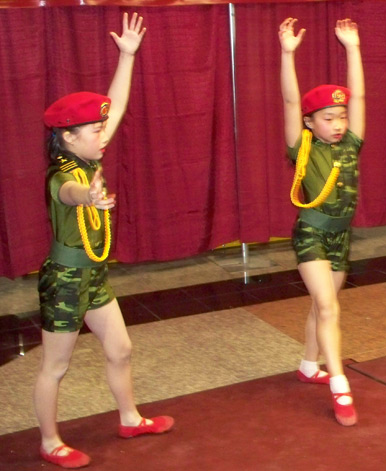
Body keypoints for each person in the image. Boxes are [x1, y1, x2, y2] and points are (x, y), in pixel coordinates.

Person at [34, 12, 174, 469]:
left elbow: (113, 106)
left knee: (121, 349)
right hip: (66, 279)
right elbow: (71, 194)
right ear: (68, 137)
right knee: (56, 366)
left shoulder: (87, 150)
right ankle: (50, 441)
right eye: (94, 130)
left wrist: (127, 57)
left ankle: (130, 417)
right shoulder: (62, 173)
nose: (103, 134)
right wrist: (87, 197)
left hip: (94, 275)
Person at [279, 17, 365, 426]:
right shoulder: (302, 146)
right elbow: (291, 103)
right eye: (328, 118)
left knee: (323, 305)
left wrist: (352, 48)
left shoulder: (351, 141)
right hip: (312, 233)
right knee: (329, 308)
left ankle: (309, 365)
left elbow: (359, 95)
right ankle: (339, 385)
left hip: (341, 237)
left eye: (341, 116)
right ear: (312, 123)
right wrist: (287, 53)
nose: (338, 124)